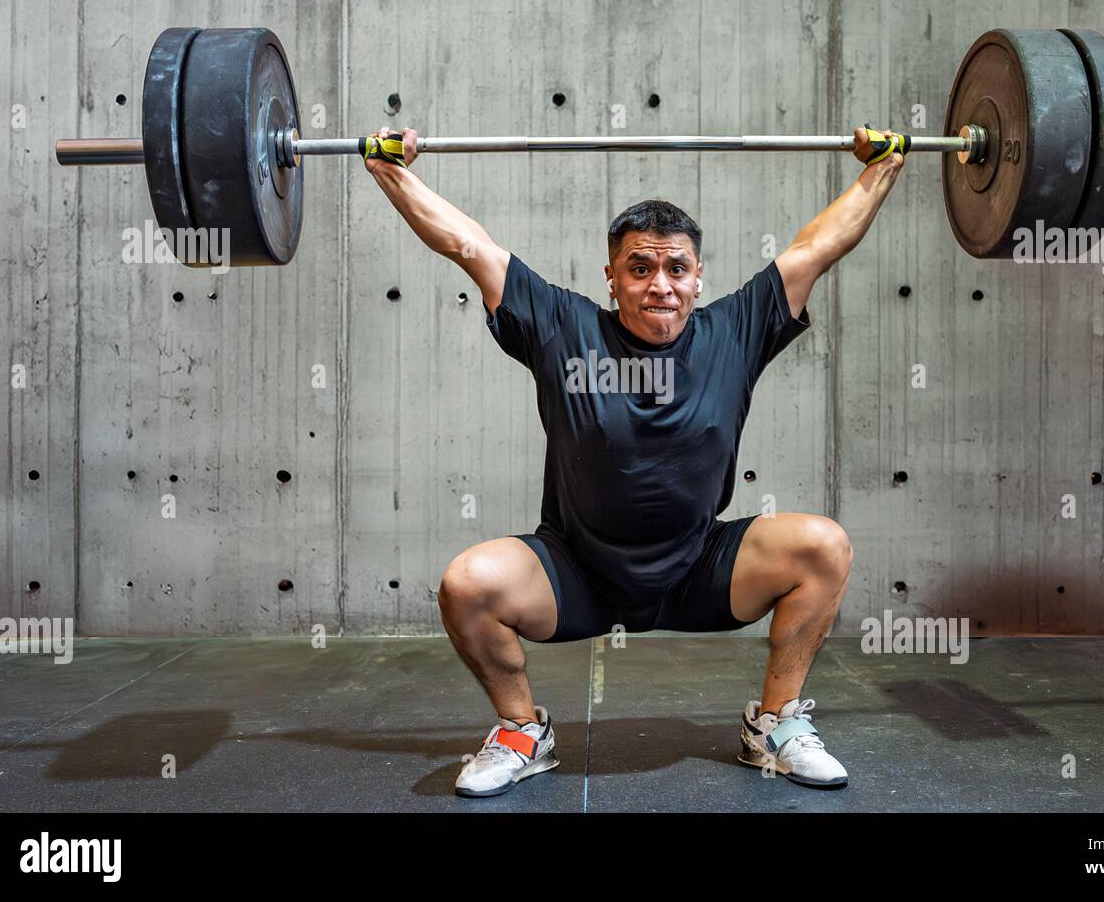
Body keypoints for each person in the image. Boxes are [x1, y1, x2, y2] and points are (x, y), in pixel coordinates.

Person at [365, 125, 905, 797]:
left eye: (676, 269)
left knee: (823, 546)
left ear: (698, 277)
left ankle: (776, 725)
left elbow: (819, 246)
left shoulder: (735, 329)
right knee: (467, 583)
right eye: (640, 269)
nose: (660, 285)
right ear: (612, 278)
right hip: (578, 572)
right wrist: (391, 171)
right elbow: (467, 244)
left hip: (698, 567)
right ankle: (520, 732)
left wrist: (884, 166)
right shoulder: (564, 326)